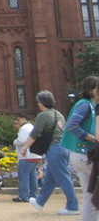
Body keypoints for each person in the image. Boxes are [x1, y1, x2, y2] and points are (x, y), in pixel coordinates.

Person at [23, 90, 79, 215]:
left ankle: (73, 206)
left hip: (54, 148)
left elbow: (35, 133)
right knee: (50, 177)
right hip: (64, 147)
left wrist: (25, 147)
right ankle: (40, 201)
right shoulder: (59, 114)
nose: (38, 104)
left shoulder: (43, 115)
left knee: (63, 178)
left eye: (38, 102)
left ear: (42, 102)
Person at [60, 76, 99, 220]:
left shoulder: (89, 105)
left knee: (90, 193)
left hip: (80, 155)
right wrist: (91, 138)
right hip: (85, 154)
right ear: (91, 90)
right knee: (92, 192)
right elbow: (72, 125)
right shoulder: (85, 105)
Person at [12, 115, 41, 202]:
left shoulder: (24, 128)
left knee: (24, 177)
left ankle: (23, 196)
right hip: (35, 155)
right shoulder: (32, 127)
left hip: (26, 156)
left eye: (19, 120)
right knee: (33, 176)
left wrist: (14, 142)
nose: (18, 122)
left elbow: (21, 140)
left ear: (24, 119)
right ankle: (33, 194)